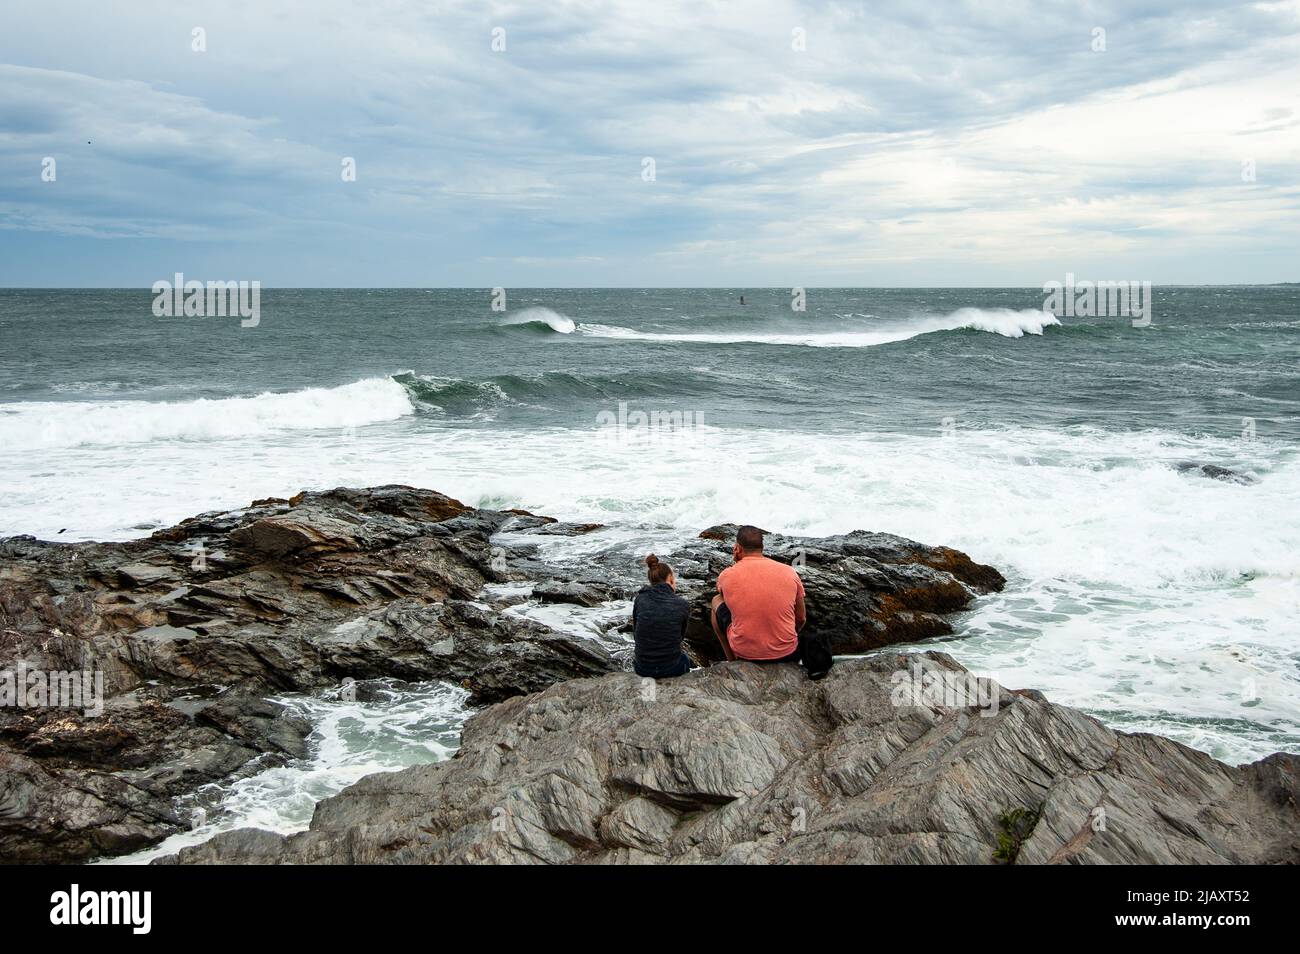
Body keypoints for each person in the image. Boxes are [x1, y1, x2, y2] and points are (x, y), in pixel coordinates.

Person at [710, 525, 806, 663]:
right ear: (762, 547)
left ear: (737, 548)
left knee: (716, 600)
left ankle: (732, 661)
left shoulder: (727, 575)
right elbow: (802, 618)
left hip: (746, 654)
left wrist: (737, 562)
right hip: (788, 652)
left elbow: (724, 595)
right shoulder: (789, 572)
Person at [632, 554, 692, 679]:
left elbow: (636, 632)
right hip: (671, 668)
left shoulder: (640, 599)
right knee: (686, 659)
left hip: (642, 668)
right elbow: (680, 637)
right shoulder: (682, 604)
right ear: (670, 579)